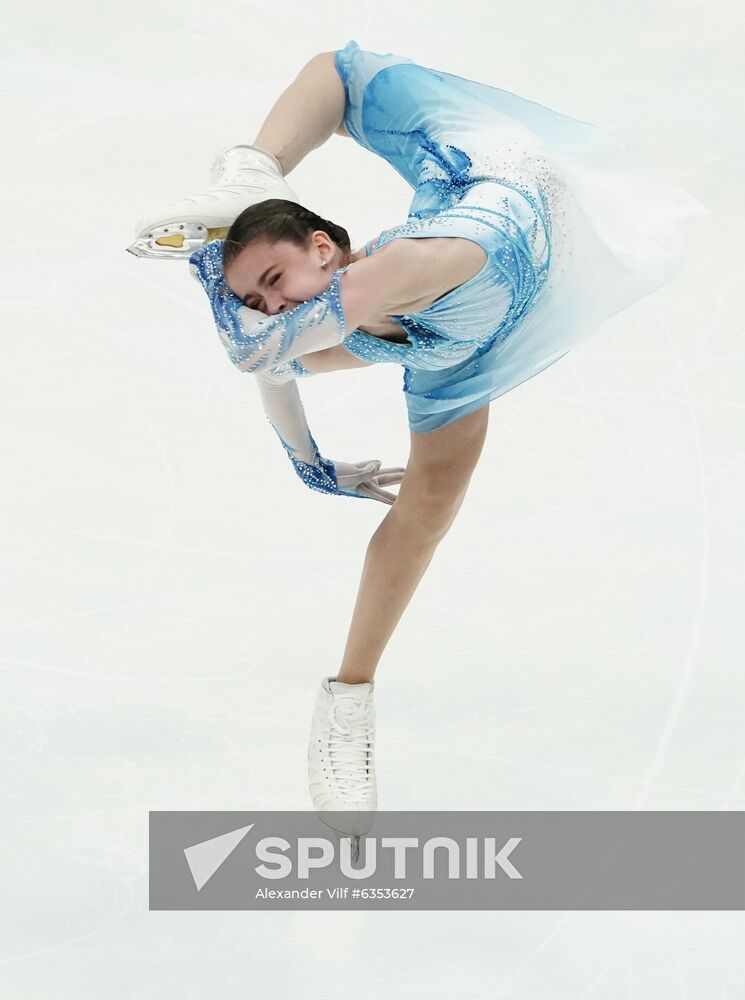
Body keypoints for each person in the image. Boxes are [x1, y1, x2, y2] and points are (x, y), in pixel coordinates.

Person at [128, 40, 708, 837]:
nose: (267, 306)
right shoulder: (353, 322)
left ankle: (250, 173)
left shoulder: (399, 266)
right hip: (457, 350)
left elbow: (254, 349)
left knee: (341, 72)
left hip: (501, 182)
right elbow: (271, 366)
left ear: (324, 249)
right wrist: (308, 460)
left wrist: (213, 246)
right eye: (254, 297)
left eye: (273, 282)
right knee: (425, 514)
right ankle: (348, 698)